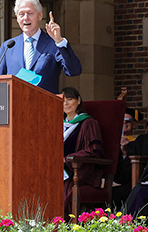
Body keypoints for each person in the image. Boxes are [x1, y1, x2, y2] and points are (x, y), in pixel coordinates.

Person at [0, 0, 82, 94]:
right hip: (14, 106)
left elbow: (74, 70)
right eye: (21, 14)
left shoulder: (53, 44)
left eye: (30, 13)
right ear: (17, 18)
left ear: (40, 15)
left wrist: (59, 41)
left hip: (45, 106)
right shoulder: (8, 46)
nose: (25, 18)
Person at [62, 87, 103, 218]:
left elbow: (92, 151)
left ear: (78, 100)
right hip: (58, 171)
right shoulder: (58, 124)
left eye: (69, 99)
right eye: (62, 100)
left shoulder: (88, 123)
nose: (66, 104)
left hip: (78, 171)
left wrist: (67, 159)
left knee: (61, 190)